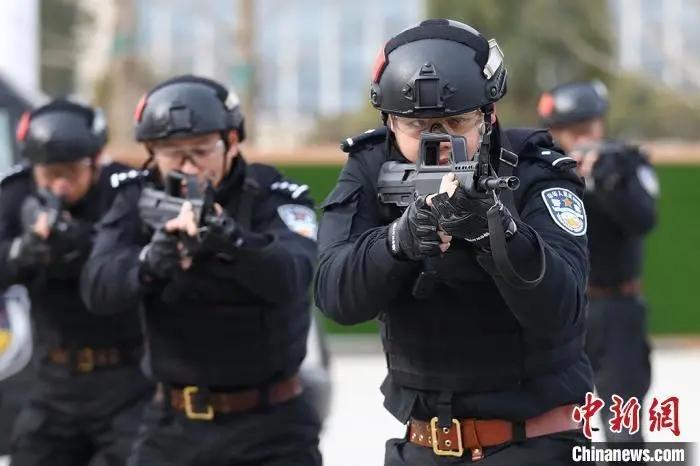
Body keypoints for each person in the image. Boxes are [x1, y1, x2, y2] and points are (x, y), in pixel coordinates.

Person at [315, 19, 594, 465]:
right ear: (389, 121)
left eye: (455, 122)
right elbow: (334, 295)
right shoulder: (370, 168)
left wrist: (496, 233)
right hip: (422, 443)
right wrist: (397, 242)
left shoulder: (537, 170)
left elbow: (561, 309)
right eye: (417, 126)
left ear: (490, 115)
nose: (439, 142)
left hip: (535, 441)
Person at [81, 75, 322, 466]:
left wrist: (232, 242)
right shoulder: (135, 196)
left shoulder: (273, 193)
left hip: (271, 425)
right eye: (171, 153)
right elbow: (97, 287)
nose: (188, 166)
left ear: (231, 143)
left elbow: (294, 274)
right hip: (173, 421)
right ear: (151, 152)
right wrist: (150, 262)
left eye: (200, 150)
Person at [0, 99, 153, 466]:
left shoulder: (125, 190)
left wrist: (85, 245)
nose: (60, 185)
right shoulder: (16, 192)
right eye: (49, 174)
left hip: (126, 379)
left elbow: (147, 261)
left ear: (95, 162)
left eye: (71, 171)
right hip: (54, 379)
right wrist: (22, 252)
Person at [538, 81, 657, 450]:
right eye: (571, 132)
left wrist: (605, 179)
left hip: (616, 308)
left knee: (624, 434)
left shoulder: (623, 165)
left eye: (588, 129)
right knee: (554, 431)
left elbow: (643, 219)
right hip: (559, 310)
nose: (582, 139)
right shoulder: (540, 171)